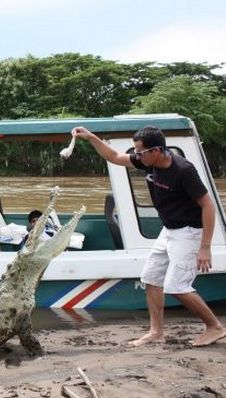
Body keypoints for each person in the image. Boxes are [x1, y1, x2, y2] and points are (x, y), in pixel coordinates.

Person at [72, 125, 226, 347]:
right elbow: (114, 156)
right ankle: (156, 331)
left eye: (141, 152)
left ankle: (215, 327)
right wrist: (90, 137)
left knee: (176, 286)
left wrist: (205, 246)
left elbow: (208, 206)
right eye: (136, 151)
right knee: (151, 277)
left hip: (190, 232)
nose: (137, 156)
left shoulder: (183, 170)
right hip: (169, 230)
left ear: (157, 151)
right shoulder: (147, 161)